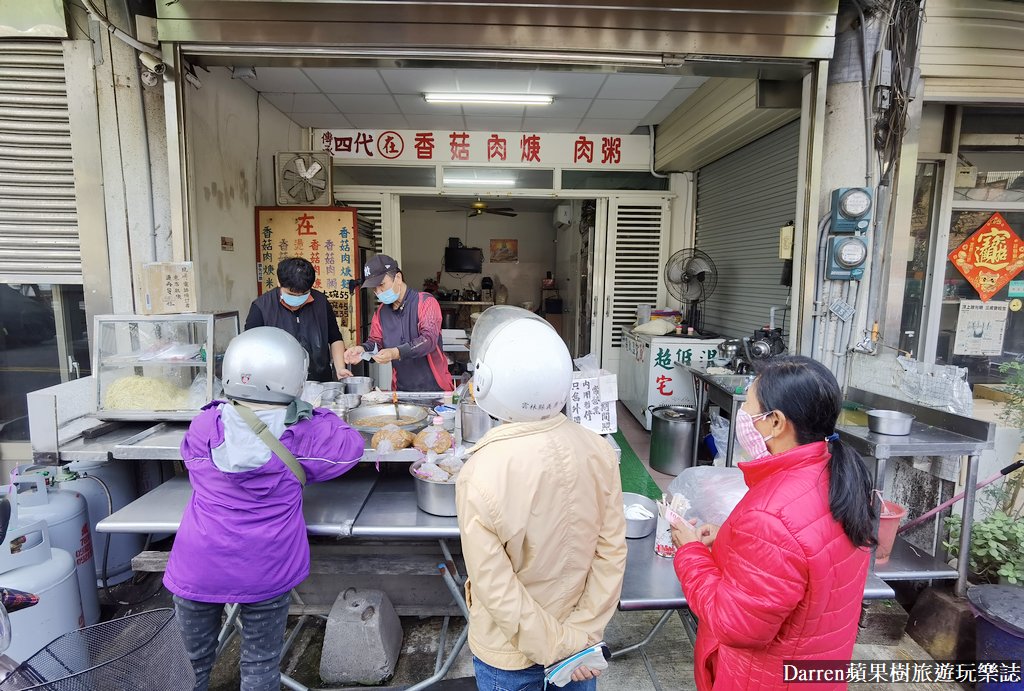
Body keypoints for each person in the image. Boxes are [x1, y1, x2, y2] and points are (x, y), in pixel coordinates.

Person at [164, 327, 365, 691]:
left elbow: (190, 457)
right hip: (265, 569)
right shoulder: (304, 433)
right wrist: (315, 413)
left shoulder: (205, 424)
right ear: (293, 377)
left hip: (197, 567)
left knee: (188, 667)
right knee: (259, 665)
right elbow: (350, 448)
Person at [670, 355, 876, 691]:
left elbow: (735, 624)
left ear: (777, 422)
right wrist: (729, 539)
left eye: (750, 409)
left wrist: (690, 552)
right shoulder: (840, 477)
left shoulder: (772, 513)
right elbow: (803, 558)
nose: (744, 417)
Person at [455, 306, 627, 691]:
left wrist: (556, 645)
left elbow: (493, 587)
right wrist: (580, 636)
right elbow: (611, 552)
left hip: (509, 655)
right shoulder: (599, 451)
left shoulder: (479, 473)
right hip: (579, 652)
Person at [343, 254, 453, 391]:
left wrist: (395, 353)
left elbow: (428, 340)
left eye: (381, 285)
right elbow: (376, 343)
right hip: (401, 390)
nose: (378, 292)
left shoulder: (425, 302)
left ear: (398, 278)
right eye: (374, 288)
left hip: (436, 387)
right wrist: (363, 350)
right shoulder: (381, 313)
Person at [244, 256, 351, 382]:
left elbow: (335, 338)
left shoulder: (321, 302)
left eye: (303, 294)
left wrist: (340, 369)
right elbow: (250, 347)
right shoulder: (261, 307)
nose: (297, 299)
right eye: (291, 294)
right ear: (279, 282)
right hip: (276, 383)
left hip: (319, 381)